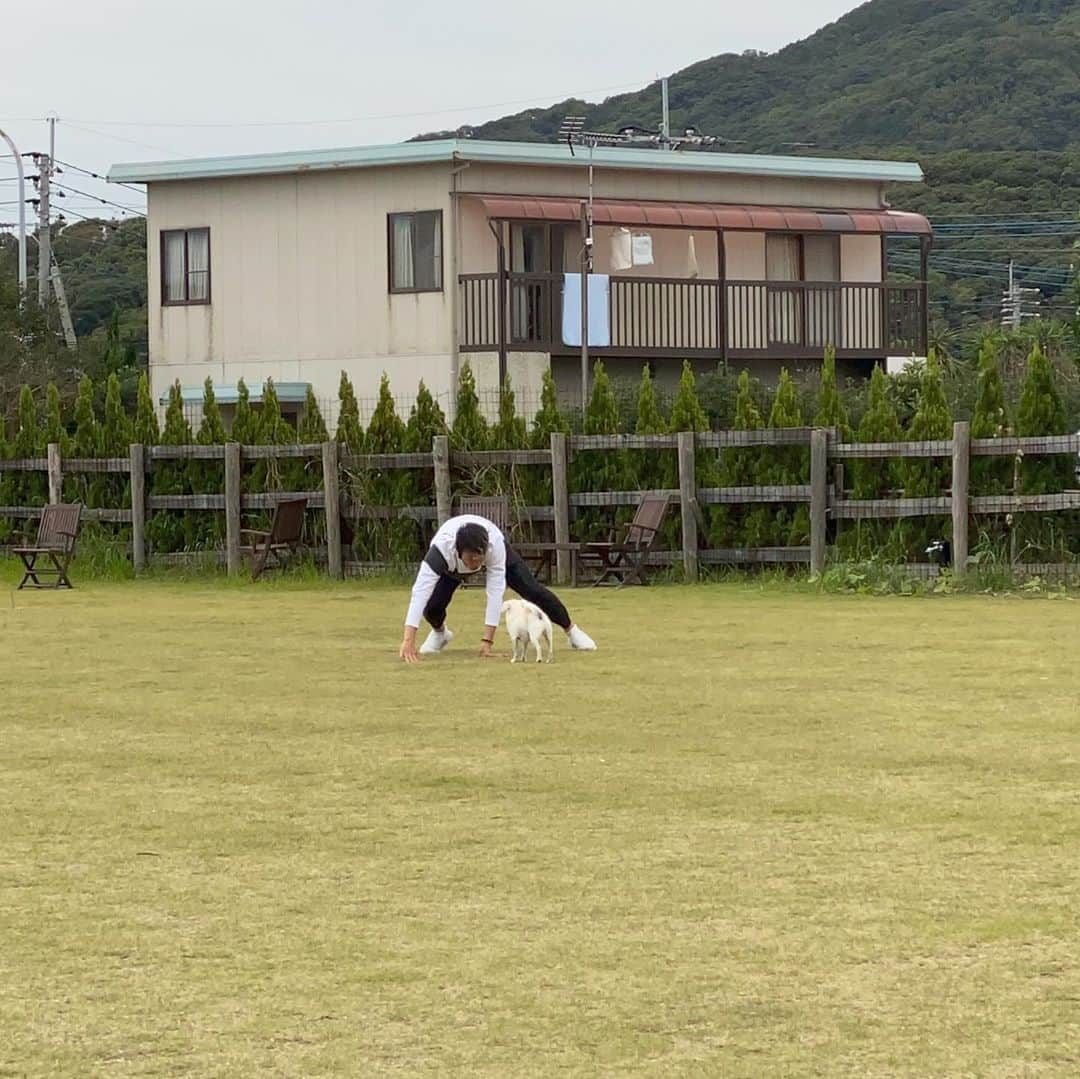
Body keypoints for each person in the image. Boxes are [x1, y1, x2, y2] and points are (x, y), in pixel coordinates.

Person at [399, 513, 597, 663]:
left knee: (532, 589)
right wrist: (409, 640)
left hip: (495, 548)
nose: (476, 564)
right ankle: (440, 634)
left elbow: (495, 593)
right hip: (452, 569)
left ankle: (572, 631)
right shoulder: (440, 552)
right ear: (458, 553)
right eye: (471, 559)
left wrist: (487, 643)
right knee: (432, 606)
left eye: (480, 558)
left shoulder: (494, 547)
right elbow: (419, 594)